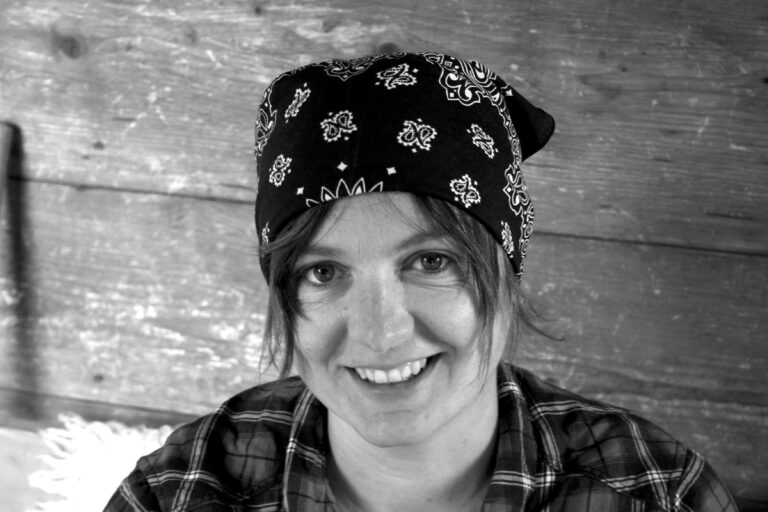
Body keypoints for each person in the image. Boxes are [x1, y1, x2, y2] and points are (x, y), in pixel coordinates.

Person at [105, 52, 737, 511]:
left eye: (431, 262)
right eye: (323, 272)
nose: (381, 334)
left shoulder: (656, 492)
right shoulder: (179, 493)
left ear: (506, 276)